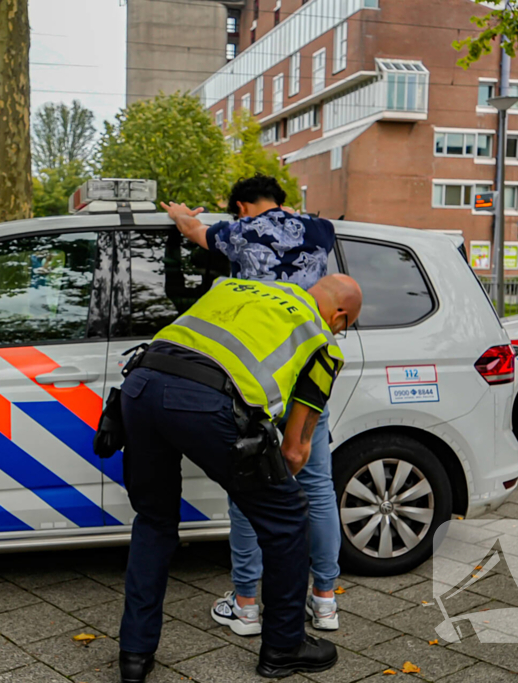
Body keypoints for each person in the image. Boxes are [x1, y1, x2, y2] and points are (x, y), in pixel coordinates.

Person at [117, 273, 363, 682]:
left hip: (140, 384)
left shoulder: (235, 286)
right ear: (339, 315)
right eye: (346, 325)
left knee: (154, 521)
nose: (340, 331)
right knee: (286, 519)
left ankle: (134, 656)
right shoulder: (321, 340)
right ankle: (284, 647)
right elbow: (295, 451)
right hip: (204, 402)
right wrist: (270, 483)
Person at [161, 175, 343, 635]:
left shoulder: (238, 233)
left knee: (248, 488)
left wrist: (181, 213)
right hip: (307, 363)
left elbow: (192, 232)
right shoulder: (321, 230)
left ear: (242, 206)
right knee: (318, 489)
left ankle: (246, 605)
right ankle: (325, 603)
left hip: (255, 371)